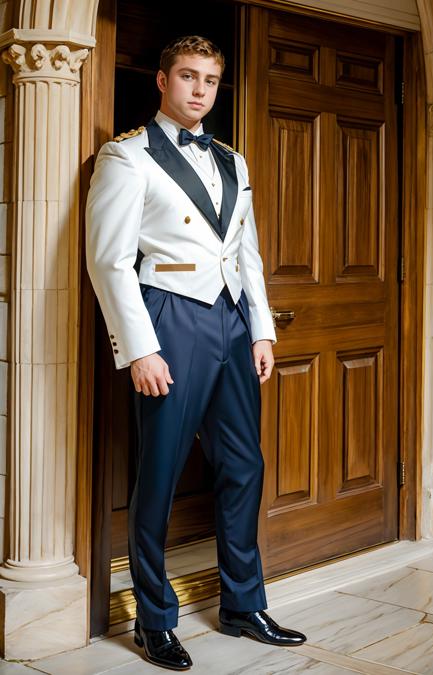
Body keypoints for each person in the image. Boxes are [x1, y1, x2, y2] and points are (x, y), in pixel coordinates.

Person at [86, 34, 307, 672]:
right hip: (170, 320)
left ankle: (243, 603)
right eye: (188, 77)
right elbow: (109, 262)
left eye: (210, 79)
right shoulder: (128, 156)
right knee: (159, 473)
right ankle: (155, 620)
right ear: (162, 81)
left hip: (232, 322)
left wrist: (260, 329)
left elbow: (248, 254)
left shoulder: (234, 162)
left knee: (244, 466)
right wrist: (139, 349)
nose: (199, 90)